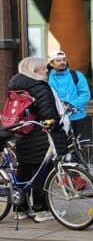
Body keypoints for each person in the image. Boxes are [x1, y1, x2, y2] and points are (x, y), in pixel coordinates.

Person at [8, 57, 70, 222]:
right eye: (44, 69)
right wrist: (56, 124)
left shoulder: (16, 86)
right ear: (35, 71)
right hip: (41, 135)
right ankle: (41, 210)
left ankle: (20, 209)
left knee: (24, 171)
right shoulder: (39, 87)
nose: (47, 71)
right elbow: (48, 113)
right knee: (42, 173)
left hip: (23, 134)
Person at [47, 50, 90, 135]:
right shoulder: (46, 77)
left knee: (77, 146)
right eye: (58, 60)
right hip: (56, 119)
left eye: (64, 60)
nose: (62, 62)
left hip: (76, 117)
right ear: (51, 63)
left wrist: (70, 105)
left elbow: (85, 95)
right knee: (59, 146)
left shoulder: (77, 75)